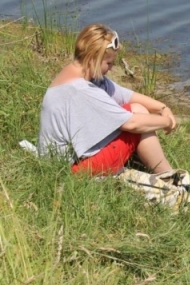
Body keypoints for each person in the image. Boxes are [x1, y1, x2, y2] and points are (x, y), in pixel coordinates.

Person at [38, 23, 177, 176]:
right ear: (93, 59)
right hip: (71, 170)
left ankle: (157, 168)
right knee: (139, 120)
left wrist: (163, 108)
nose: (111, 68)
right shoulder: (82, 91)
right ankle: (170, 176)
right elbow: (132, 124)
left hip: (65, 160)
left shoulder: (77, 73)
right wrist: (166, 122)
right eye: (108, 63)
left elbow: (126, 95)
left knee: (137, 109)